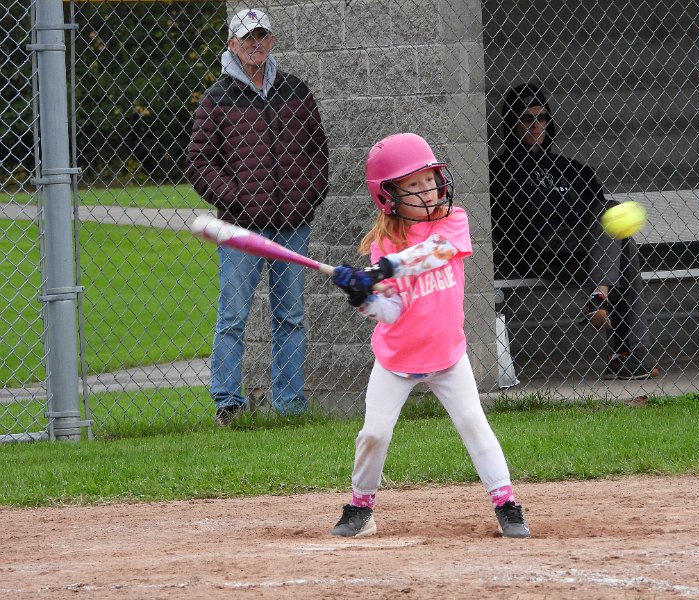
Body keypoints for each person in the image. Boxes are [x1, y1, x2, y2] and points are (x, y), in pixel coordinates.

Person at [328, 133, 530, 539]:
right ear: (388, 196)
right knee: (374, 434)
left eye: (430, 180)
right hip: (396, 360)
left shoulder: (454, 222)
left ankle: (506, 504)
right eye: (413, 185)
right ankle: (361, 508)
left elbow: (434, 253)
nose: (428, 190)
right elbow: (390, 312)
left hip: (448, 356)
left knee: (474, 423)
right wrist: (362, 298)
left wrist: (382, 270)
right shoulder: (385, 243)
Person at [186, 8, 329, 424]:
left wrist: (307, 197)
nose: (255, 44)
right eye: (247, 37)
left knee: (291, 316)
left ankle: (290, 405)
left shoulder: (296, 91)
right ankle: (228, 404)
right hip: (240, 228)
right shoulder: (216, 98)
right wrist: (237, 200)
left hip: (293, 224)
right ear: (232, 44)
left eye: (262, 36)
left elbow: (318, 151)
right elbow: (198, 162)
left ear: (272, 41)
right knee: (233, 316)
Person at [490, 83, 661, 380]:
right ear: (512, 123)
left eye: (541, 117)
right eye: (527, 118)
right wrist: (569, 209)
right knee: (621, 242)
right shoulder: (500, 171)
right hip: (536, 255)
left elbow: (590, 210)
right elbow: (519, 222)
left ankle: (601, 299)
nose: (535, 125)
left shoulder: (572, 169)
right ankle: (624, 353)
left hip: (583, 258)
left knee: (619, 236)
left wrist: (563, 209)